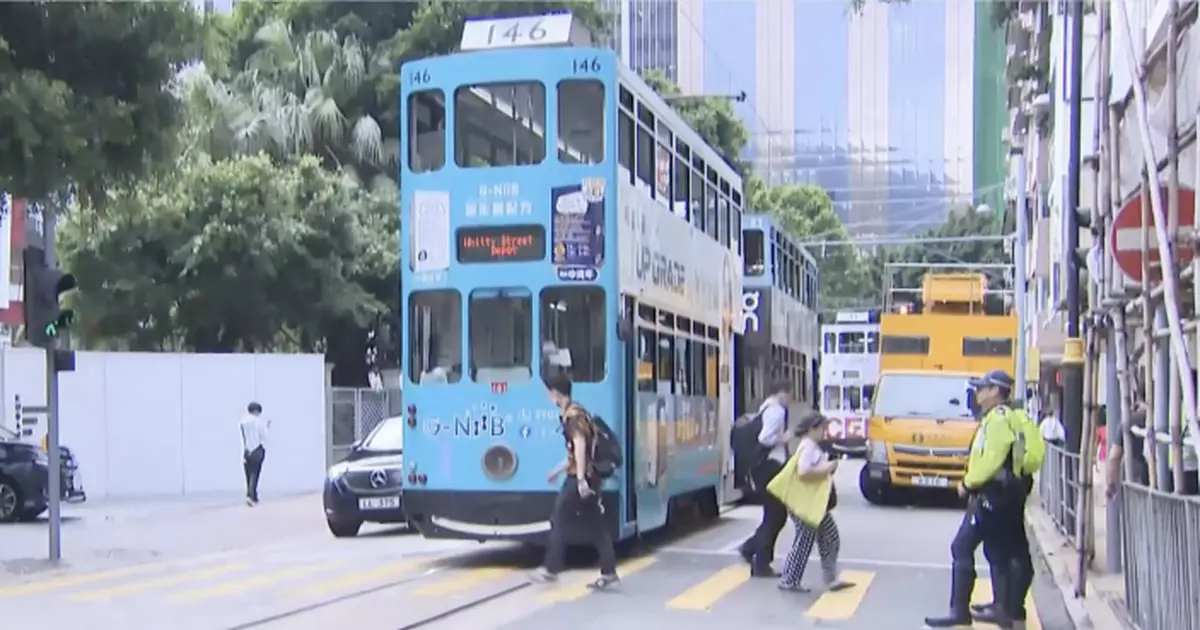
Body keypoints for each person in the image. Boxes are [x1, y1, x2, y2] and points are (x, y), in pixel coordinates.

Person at [925, 370, 1027, 629]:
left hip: (992, 493)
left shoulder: (998, 420)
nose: (977, 393)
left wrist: (969, 483)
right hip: (1003, 494)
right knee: (998, 552)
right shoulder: (1005, 417)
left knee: (961, 546)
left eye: (982, 388)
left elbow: (992, 459)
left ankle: (961, 611)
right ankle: (1006, 612)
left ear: (995, 391)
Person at [530, 374, 619, 590]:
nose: (548, 396)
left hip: (580, 478)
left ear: (556, 394)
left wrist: (579, 480)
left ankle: (551, 569)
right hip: (588, 476)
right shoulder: (578, 412)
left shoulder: (573, 416)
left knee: (559, 518)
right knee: (596, 525)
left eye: (549, 392)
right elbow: (577, 452)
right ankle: (609, 572)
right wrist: (558, 470)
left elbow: (580, 446)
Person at [778, 411, 854, 593]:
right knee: (806, 540)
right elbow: (804, 471)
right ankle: (790, 580)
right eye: (822, 428)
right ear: (813, 428)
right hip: (808, 503)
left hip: (814, 503)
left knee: (828, 537)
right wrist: (829, 467)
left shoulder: (808, 445)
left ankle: (827, 578)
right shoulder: (809, 446)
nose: (824, 432)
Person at [737, 380, 794, 577]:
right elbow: (765, 439)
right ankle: (755, 554)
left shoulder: (766, 407)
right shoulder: (776, 411)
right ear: (781, 393)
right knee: (776, 515)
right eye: (789, 394)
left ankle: (756, 555)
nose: (791, 399)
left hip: (764, 468)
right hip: (769, 468)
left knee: (774, 514)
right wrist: (783, 439)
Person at [239, 402, 269, 506]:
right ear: (257, 411)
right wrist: (267, 427)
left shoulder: (243, 421)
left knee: (248, 473)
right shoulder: (258, 421)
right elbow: (264, 435)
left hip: (247, 450)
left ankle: (251, 495)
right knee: (255, 474)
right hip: (257, 449)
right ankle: (251, 496)